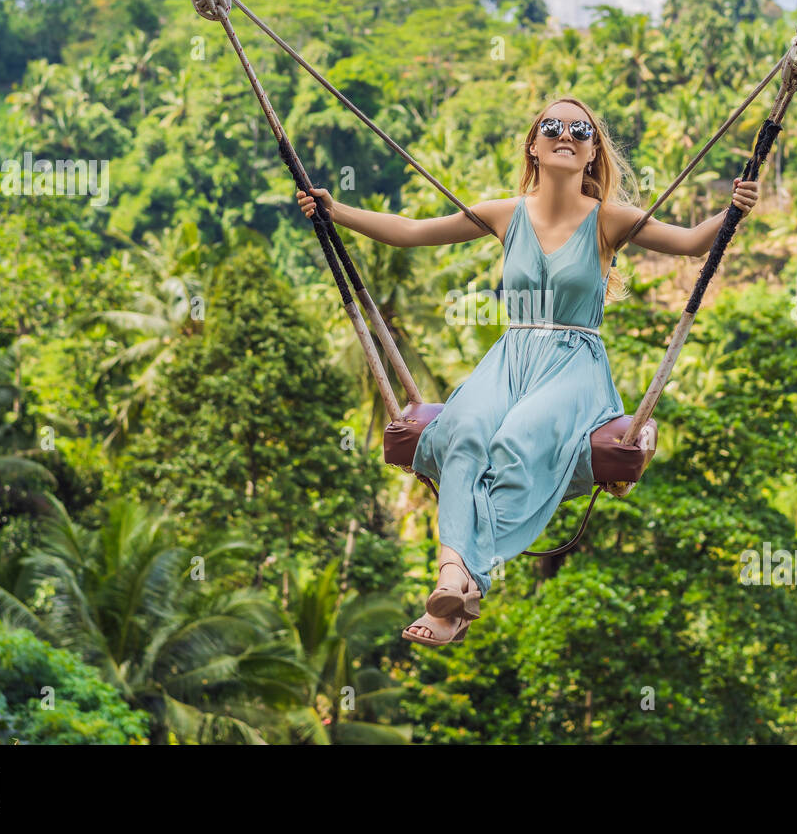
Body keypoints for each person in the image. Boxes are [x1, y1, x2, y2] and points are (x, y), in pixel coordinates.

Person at [297, 96, 759, 645]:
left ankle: (462, 580)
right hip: (510, 358)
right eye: (553, 126)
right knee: (463, 433)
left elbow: (689, 244)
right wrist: (336, 211)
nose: (567, 133)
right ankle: (453, 574)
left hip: (573, 365)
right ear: (534, 146)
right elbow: (411, 230)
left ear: (592, 154)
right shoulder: (504, 213)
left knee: (516, 440)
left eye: (581, 129)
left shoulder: (610, 219)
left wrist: (734, 210)